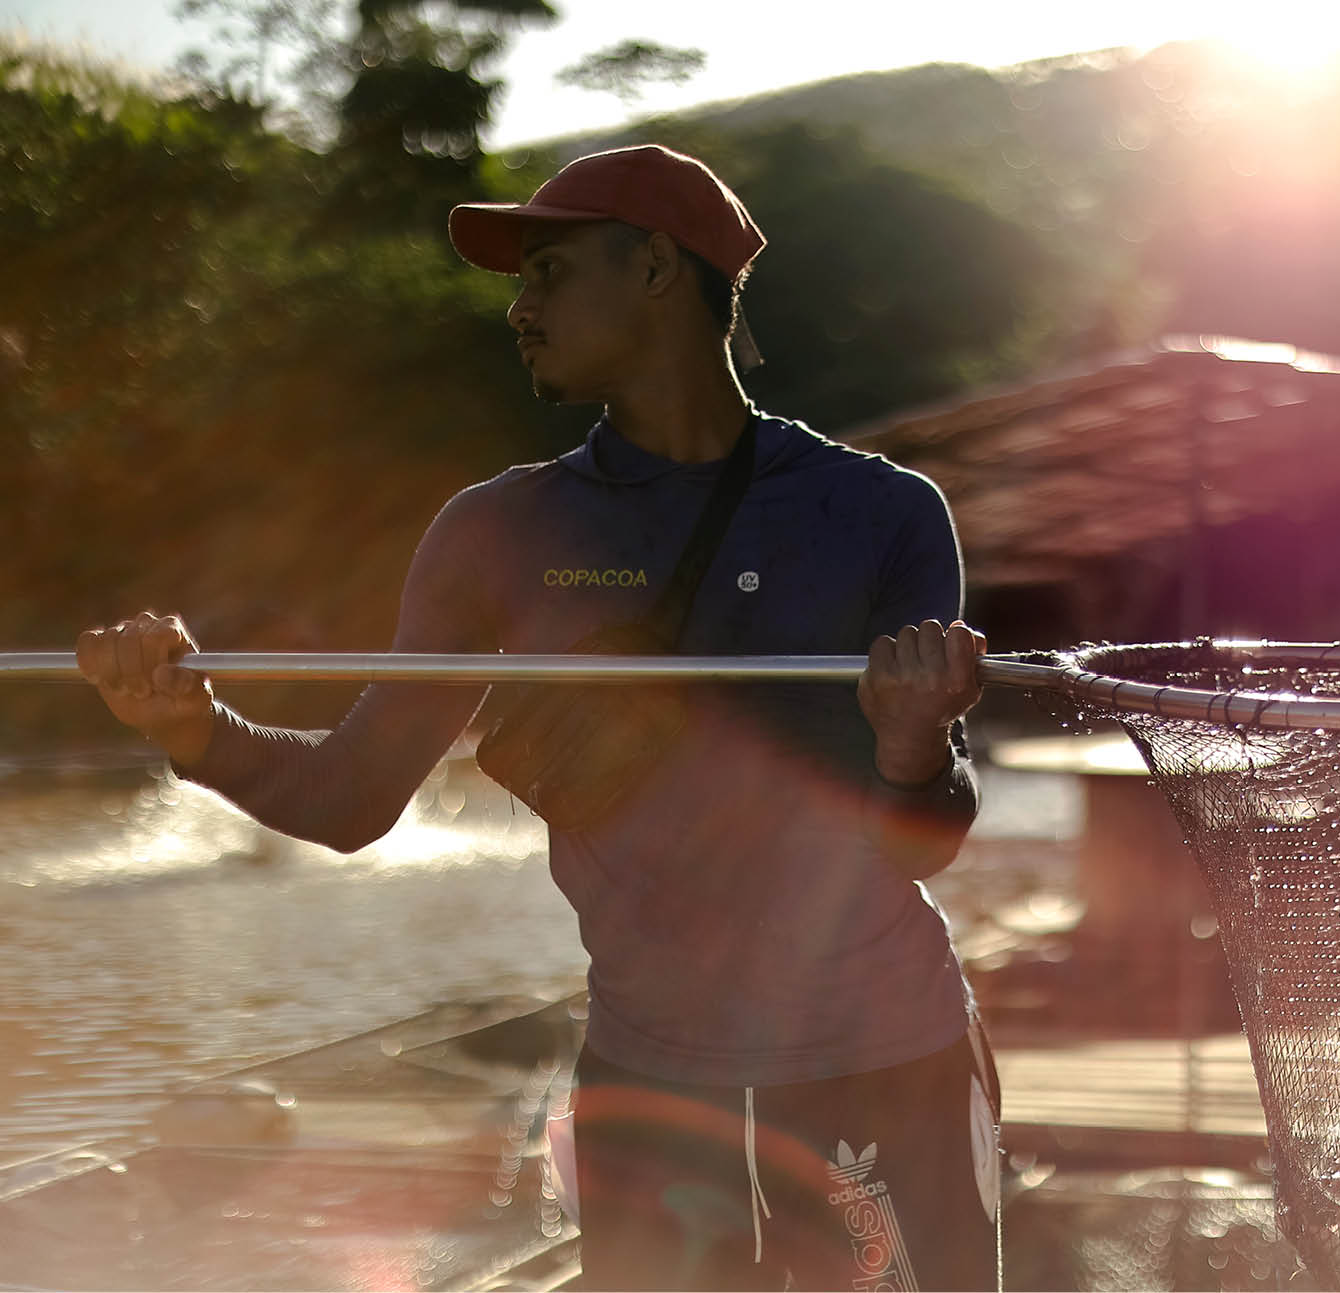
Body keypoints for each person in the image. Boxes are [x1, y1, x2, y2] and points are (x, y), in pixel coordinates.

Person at [75, 144, 999, 1291]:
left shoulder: (881, 513)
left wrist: (913, 747)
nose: (519, 308)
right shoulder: (493, 533)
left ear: (658, 268)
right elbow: (351, 801)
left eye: (550, 270)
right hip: (653, 1090)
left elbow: (925, 843)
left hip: (882, 1066)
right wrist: (190, 727)